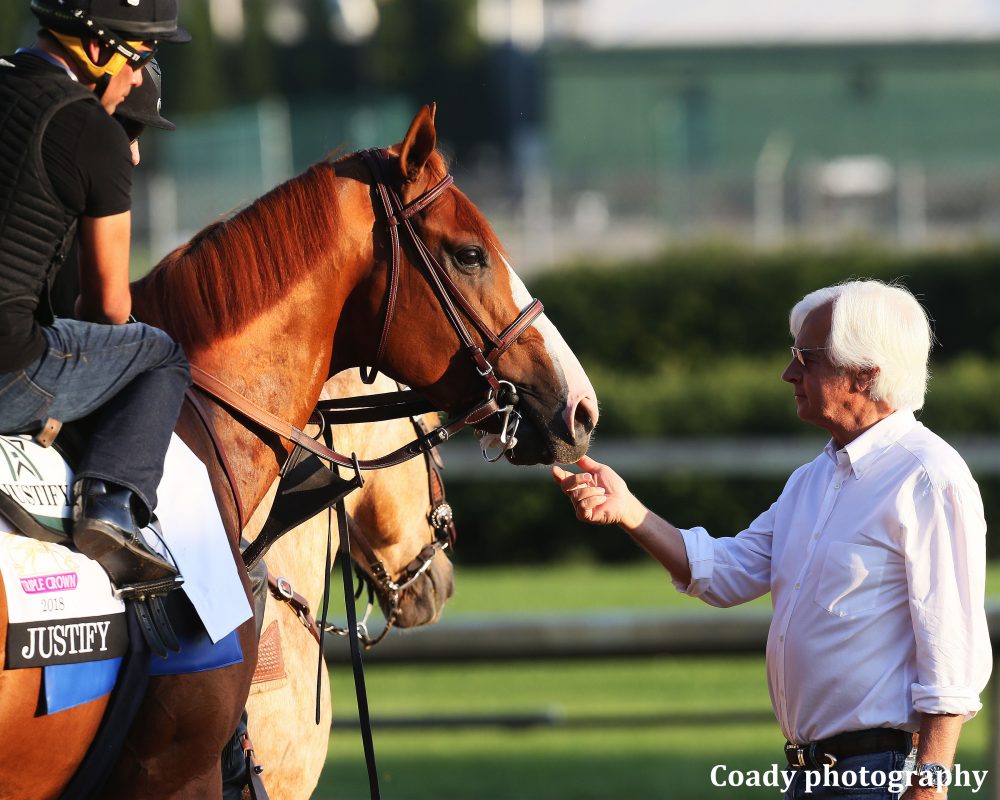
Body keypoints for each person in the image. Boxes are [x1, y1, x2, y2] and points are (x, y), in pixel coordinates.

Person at [553, 280, 991, 800]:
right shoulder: (813, 479)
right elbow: (727, 572)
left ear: (866, 374)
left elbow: (952, 652)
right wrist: (630, 513)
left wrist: (929, 788)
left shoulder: (928, 476)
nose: (789, 373)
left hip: (882, 778)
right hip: (810, 776)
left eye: (807, 359)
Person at [0, 0, 191, 589]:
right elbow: (106, 308)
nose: (138, 81)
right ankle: (110, 509)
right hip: (9, 371)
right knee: (160, 355)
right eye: (136, 61)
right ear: (95, 47)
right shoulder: (93, 132)